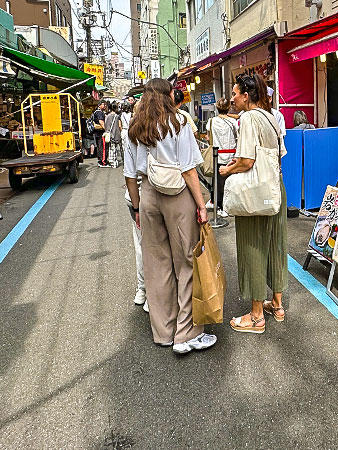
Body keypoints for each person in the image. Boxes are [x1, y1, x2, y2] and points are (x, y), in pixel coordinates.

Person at [125, 78, 216, 354]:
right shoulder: (178, 124)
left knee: (157, 265)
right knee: (186, 262)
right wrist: (202, 206)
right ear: (168, 96)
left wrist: (138, 208)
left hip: (149, 194)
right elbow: (189, 170)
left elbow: (130, 175)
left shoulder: (136, 127)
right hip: (177, 195)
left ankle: (164, 332)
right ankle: (186, 334)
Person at [221, 73, 288, 334]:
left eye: (235, 94)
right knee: (275, 244)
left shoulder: (248, 118)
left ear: (246, 95)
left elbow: (247, 161)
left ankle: (256, 316)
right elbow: (277, 155)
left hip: (256, 191)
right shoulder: (270, 117)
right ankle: (277, 305)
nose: (233, 99)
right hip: (275, 188)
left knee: (253, 247)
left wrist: (227, 171)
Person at [119, 102, 146, 310]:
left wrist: (136, 208)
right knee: (159, 247)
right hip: (154, 194)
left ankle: (142, 289)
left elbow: (129, 175)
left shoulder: (131, 133)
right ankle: (154, 293)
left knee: (140, 245)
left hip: (134, 196)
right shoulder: (159, 129)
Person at [207, 98, 239, 217]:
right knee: (231, 181)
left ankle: (220, 206)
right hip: (232, 155)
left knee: (218, 182)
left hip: (217, 155)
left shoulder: (211, 121)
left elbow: (208, 138)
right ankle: (230, 205)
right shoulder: (233, 122)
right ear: (228, 108)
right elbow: (237, 137)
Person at [91, 100, 108, 165]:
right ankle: (103, 161)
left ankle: (101, 160)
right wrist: (106, 130)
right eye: (104, 104)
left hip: (97, 133)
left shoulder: (96, 112)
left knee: (99, 146)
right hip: (100, 132)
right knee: (102, 147)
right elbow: (101, 122)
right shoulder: (99, 112)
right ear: (99, 105)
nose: (105, 106)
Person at [104, 103, 121, 168]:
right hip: (116, 134)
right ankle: (114, 161)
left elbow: (106, 125)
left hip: (109, 134)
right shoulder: (117, 116)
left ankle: (112, 161)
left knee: (111, 148)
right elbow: (119, 126)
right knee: (115, 148)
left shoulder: (107, 116)